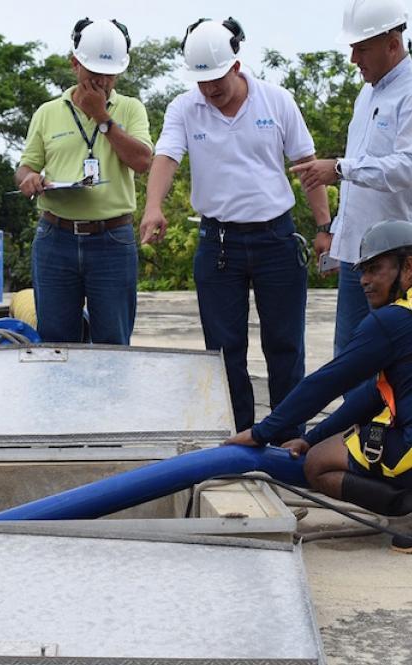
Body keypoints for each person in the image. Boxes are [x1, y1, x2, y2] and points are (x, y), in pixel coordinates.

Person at [226, 220, 412, 553]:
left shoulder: (393, 320)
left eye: (374, 269)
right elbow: (372, 395)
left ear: (408, 266)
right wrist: (309, 438)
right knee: (366, 433)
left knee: (319, 464)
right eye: (362, 271)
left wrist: (262, 432)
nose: (364, 281)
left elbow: (328, 381)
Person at [141, 18, 331, 439]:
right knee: (224, 351)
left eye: (217, 79)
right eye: (202, 81)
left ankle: (289, 438)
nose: (210, 89)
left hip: (276, 241)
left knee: (285, 347)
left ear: (237, 65)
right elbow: (167, 157)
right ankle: (239, 438)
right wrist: (153, 207)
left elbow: (306, 168)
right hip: (219, 243)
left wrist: (325, 226)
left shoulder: (277, 101)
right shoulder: (183, 108)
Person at [290, 0, 412, 357]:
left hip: (400, 260)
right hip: (357, 255)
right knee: (350, 360)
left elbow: (409, 167)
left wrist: (340, 168)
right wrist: (334, 235)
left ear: (393, 44)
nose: (353, 60)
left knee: (398, 365)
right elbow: (359, 185)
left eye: (361, 49)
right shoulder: (367, 94)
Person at [16, 18, 153, 345]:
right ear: (75, 64)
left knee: (113, 342)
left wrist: (102, 117)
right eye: (94, 74)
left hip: (112, 239)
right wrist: (30, 178)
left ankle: (112, 398)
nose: (102, 82)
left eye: (109, 75)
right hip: (55, 238)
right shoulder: (48, 112)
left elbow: (142, 161)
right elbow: (25, 167)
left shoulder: (131, 109)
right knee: (57, 343)